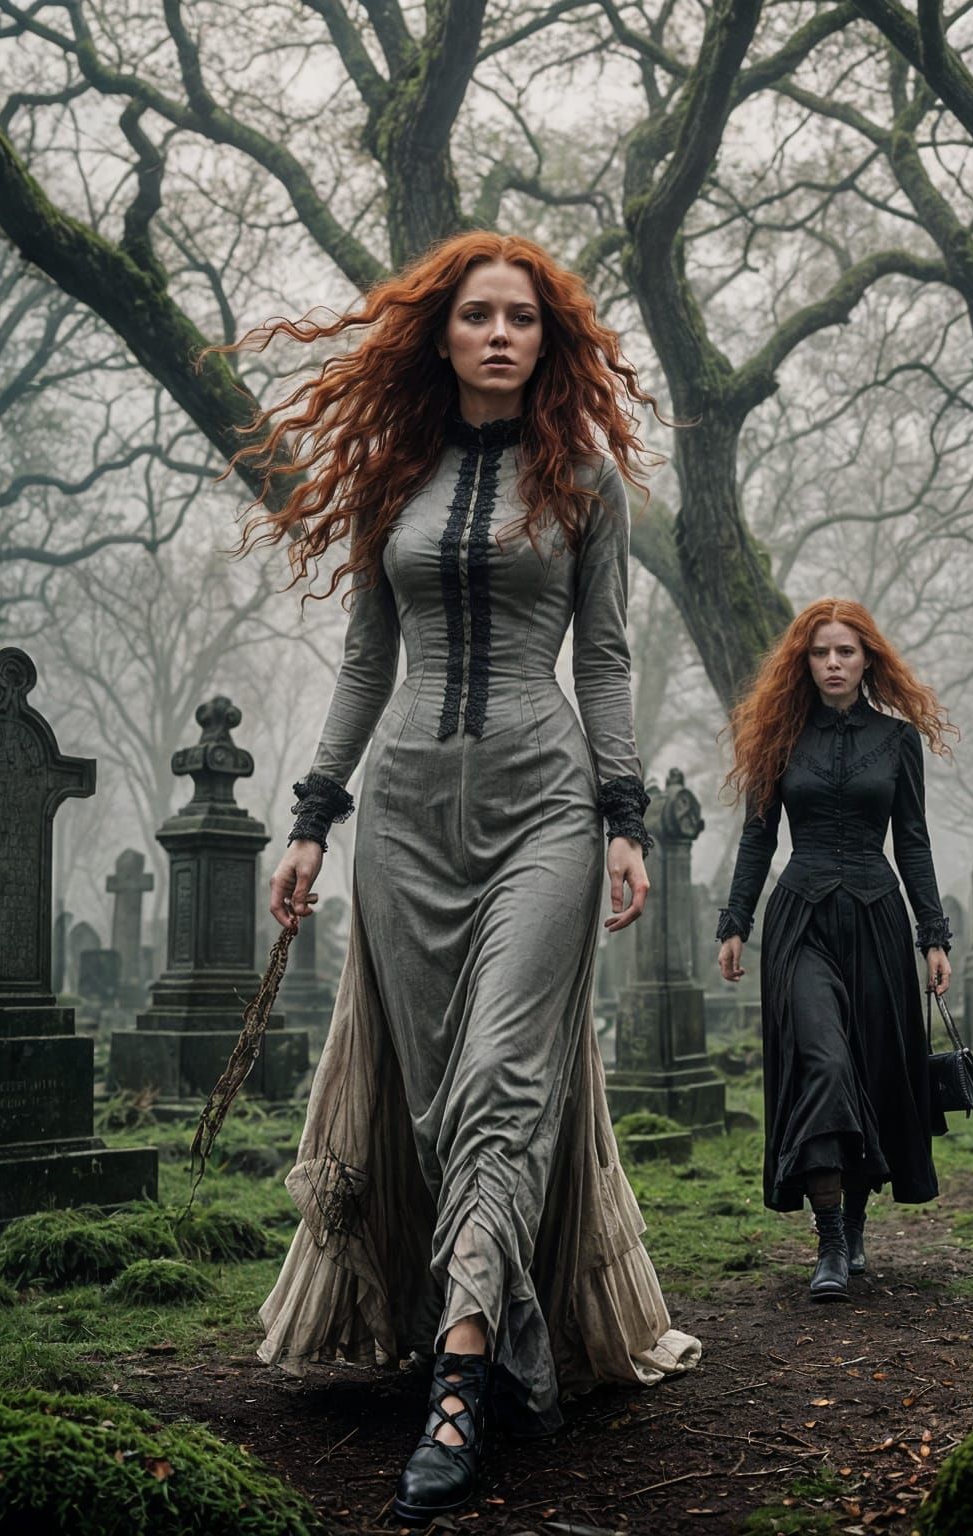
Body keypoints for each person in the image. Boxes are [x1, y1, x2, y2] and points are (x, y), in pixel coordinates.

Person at [232, 232, 699, 1524]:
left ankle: (461, 1376)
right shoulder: (398, 481)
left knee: (500, 1075)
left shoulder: (587, 485)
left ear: (550, 343)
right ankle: (490, 1320)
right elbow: (363, 666)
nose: (500, 332)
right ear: (441, 335)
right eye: (478, 315)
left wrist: (622, 818)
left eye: (524, 318)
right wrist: (314, 818)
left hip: (544, 808)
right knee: (438, 1102)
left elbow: (601, 662)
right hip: (405, 819)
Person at [715, 599, 955, 1302]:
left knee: (870, 1072)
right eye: (820, 653)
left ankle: (853, 1225)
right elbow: (759, 836)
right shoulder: (779, 737)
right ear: (804, 661)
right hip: (802, 923)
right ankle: (826, 1239)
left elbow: (912, 840)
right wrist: (736, 921)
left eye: (845, 651)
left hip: (879, 921)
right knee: (822, 1060)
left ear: (867, 658)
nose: (833, 664)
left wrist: (933, 935)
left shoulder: (897, 741)